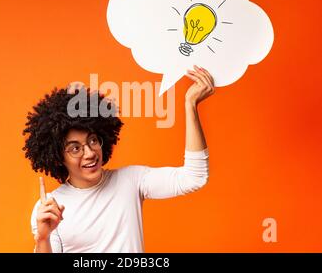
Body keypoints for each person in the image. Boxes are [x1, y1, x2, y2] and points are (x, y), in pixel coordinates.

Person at [22, 65, 215, 253]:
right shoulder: (50, 207)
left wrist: (190, 105)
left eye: (93, 140)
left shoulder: (131, 180)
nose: (89, 153)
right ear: (58, 156)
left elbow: (194, 177)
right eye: (75, 148)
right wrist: (43, 238)